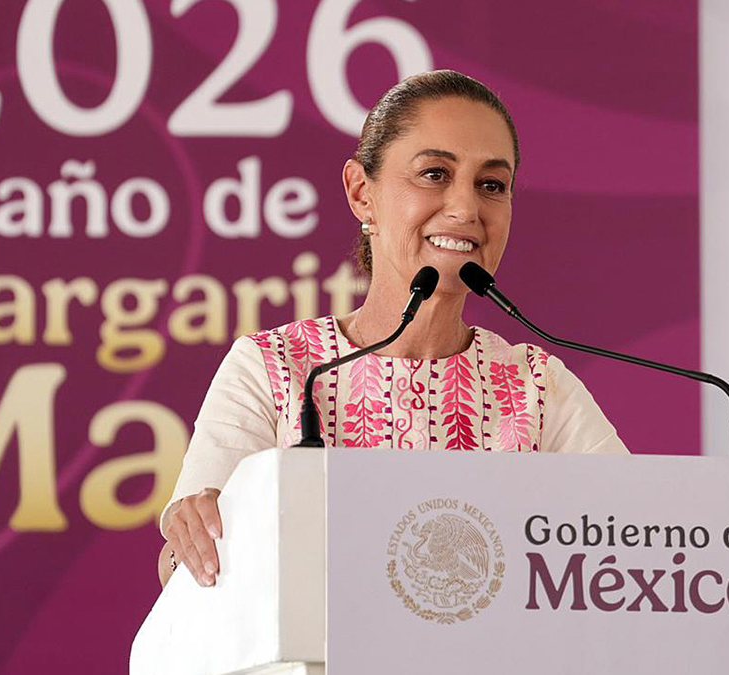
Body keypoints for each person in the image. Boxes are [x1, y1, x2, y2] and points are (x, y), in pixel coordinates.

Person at [157, 70, 629, 588]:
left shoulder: (539, 387)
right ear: (362, 193)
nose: (466, 208)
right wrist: (192, 536)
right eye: (434, 174)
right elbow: (189, 568)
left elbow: (631, 545)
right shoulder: (276, 368)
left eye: (491, 185)